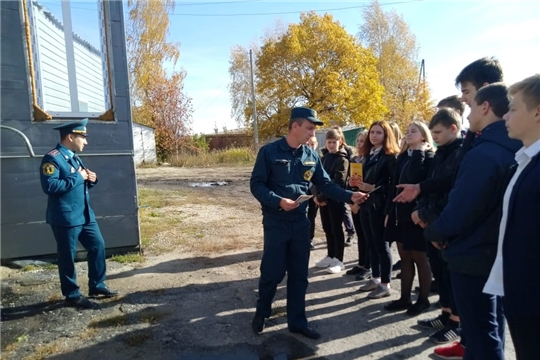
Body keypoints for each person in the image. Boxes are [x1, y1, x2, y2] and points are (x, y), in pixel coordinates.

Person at [250, 107, 368, 340]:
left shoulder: (311, 155)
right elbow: (257, 185)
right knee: (272, 273)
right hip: (276, 222)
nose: (313, 132)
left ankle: (297, 322)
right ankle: (261, 313)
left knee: (299, 275)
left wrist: (349, 196)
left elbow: (325, 184)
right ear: (295, 126)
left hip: (300, 223)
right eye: (310, 128)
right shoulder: (269, 152)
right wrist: (278, 201)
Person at [424, 83, 521, 360]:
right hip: (488, 250)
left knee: (480, 331)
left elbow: (463, 207)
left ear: (485, 106)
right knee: (489, 325)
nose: (467, 114)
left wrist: (434, 231)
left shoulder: (484, 153)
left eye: (470, 105)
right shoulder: (508, 147)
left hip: (473, 252)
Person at [483, 74, 540, 360]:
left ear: (537, 112)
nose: (506, 115)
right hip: (519, 292)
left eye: (514, 109)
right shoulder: (525, 160)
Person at [40, 119, 118, 310]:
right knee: (67, 256)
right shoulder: (52, 158)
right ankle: (72, 295)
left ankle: (97, 285)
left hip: (84, 215)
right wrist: (78, 177)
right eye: (83, 137)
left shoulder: (73, 157)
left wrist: (91, 179)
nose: (85, 141)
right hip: (65, 218)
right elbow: (50, 186)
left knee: (98, 246)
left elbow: (79, 183)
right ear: (70, 136)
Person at [413, 109, 464, 344]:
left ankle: (456, 321)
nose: (434, 137)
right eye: (432, 133)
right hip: (431, 223)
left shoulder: (461, 153)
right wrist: (422, 214)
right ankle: (445, 314)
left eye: (438, 133)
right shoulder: (440, 153)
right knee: (440, 273)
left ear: (453, 128)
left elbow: (451, 193)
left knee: (451, 275)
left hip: (445, 224)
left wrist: (427, 216)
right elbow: (427, 186)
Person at [383, 120, 435, 316]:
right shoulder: (403, 157)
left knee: (420, 257)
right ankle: (404, 298)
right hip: (399, 214)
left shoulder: (428, 156)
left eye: (414, 131)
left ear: (424, 135)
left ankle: (423, 300)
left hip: (416, 215)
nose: (408, 133)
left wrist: (420, 152)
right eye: (407, 130)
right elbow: (393, 186)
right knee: (404, 257)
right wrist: (388, 212)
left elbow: (417, 177)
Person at [352, 121, 399, 299]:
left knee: (382, 245)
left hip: (380, 206)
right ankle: (376, 278)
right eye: (372, 132)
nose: (374, 136)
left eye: (379, 133)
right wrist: (356, 184)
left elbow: (393, 186)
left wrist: (372, 187)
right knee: (371, 243)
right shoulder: (368, 155)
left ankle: (385, 284)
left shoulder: (390, 157)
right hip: (366, 205)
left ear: (386, 135)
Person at [312, 129, 349, 274]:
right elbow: (316, 179)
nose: (332, 145)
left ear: (340, 142)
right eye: (329, 142)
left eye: (334, 142)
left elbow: (338, 182)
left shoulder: (343, 160)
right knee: (327, 228)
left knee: (336, 229)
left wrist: (321, 197)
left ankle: (339, 260)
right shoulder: (324, 158)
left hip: (335, 201)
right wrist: (316, 196)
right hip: (322, 200)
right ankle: (330, 254)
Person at [346, 130, 372, 280]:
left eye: (363, 141)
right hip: (355, 202)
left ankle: (368, 265)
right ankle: (361, 263)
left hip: (365, 202)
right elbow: (350, 183)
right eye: (358, 141)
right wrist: (351, 202)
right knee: (360, 235)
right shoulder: (355, 159)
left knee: (367, 236)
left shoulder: (370, 160)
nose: (360, 144)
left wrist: (359, 203)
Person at [330, 125, 356, 247]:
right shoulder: (326, 154)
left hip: (344, 185)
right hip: (331, 191)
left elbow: (349, 166)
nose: (331, 144)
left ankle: (350, 232)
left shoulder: (346, 152)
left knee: (344, 210)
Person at [306, 136, 319, 250]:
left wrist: (317, 194)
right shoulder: (303, 157)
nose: (311, 146)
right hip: (304, 192)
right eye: (309, 144)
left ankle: (310, 239)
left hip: (314, 194)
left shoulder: (318, 158)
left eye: (313, 144)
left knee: (311, 216)